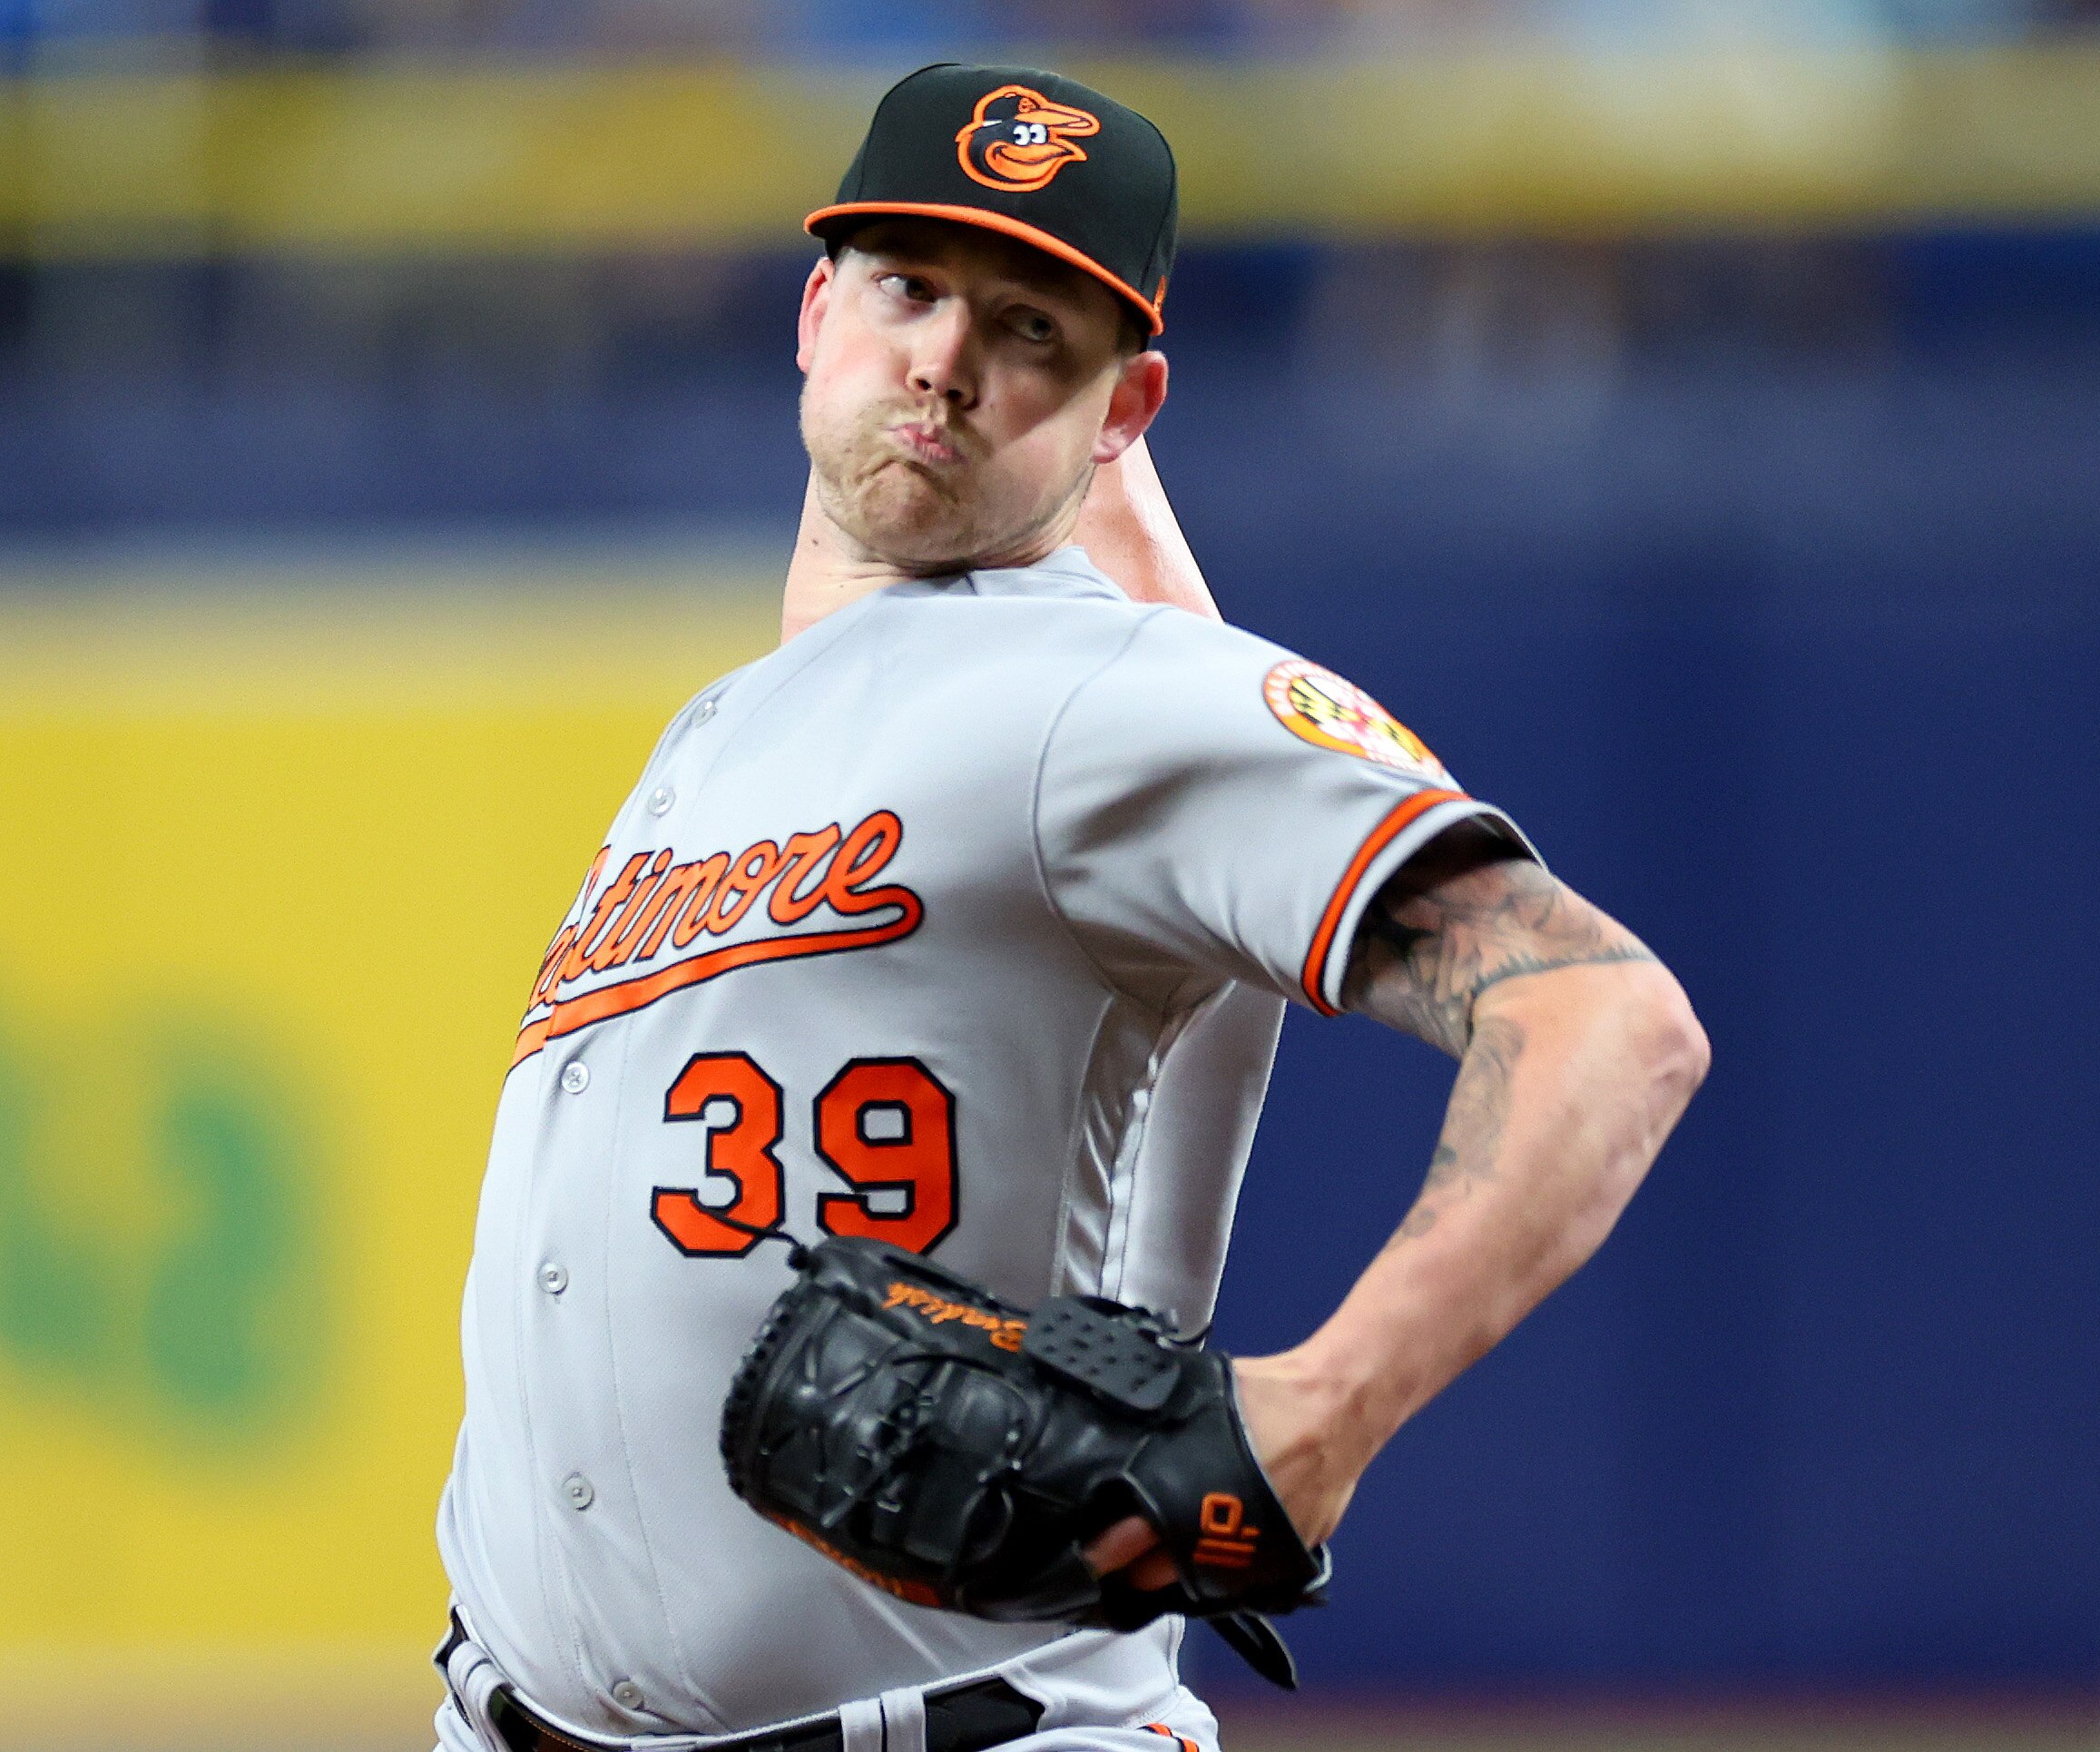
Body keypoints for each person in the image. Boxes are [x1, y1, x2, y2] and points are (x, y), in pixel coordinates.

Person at [431, 62, 1708, 1752]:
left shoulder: (1112, 696)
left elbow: (1610, 1018)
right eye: (908, 290)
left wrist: (1308, 1424)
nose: (946, 358)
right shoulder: (723, 730)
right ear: (816, 314)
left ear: (1126, 408)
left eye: (1033, 328)